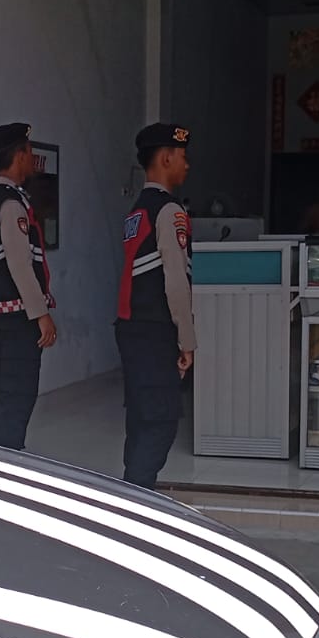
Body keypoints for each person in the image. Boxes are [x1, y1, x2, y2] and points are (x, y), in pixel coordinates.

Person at [116, 123, 196, 490]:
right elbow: (175, 281)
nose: (187, 165)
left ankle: (132, 492)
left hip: (132, 327)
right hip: (154, 330)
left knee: (141, 418)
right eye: (182, 157)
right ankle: (137, 499)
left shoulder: (137, 210)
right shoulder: (169, 211)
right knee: (159, 421)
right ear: (165, 158)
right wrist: (187, 340)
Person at [0, 122, 58, 450]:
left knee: (3, 383)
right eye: (29, 151)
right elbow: (20, 264)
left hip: (6, 313)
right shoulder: (11, 204)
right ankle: (8, 455)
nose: (32, 158)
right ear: (19, 155)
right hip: (19, 314)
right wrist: (41, 314)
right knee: (18, 388)